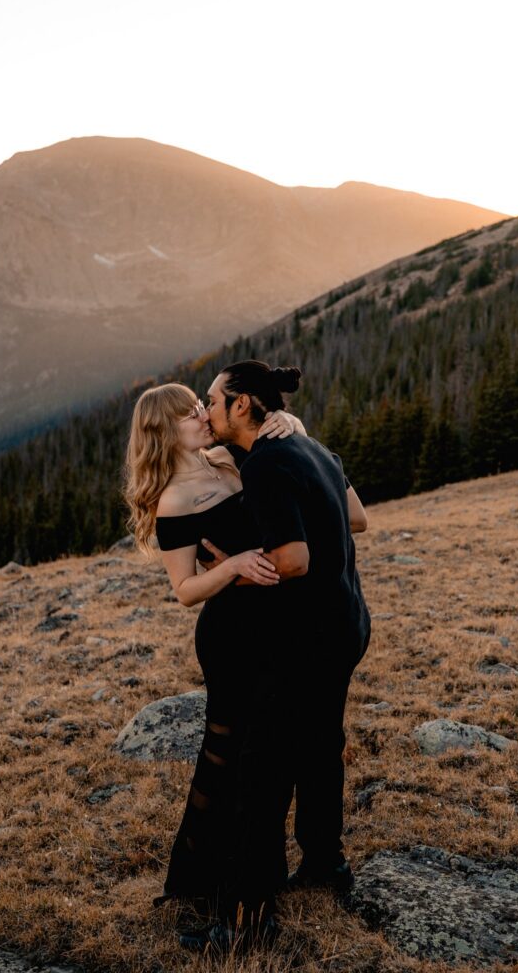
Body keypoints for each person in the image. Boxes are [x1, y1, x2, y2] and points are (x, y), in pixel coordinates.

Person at [193, 359, 371, 952]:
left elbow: (293, 561)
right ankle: (326, 864)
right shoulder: (310, 445)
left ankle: (249, 918)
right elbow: (357, 517)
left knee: (262, 767)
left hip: (305, 641)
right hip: (347, 624)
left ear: (242, 404)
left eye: (213, 401)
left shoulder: (269, 462)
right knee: (321, 746)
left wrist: (228, 573)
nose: (208, 410)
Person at [122, 382, 306, 926]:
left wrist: (288, 425)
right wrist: (232, 566)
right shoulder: (174, 499)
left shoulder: (224, 459)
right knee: (227, 757)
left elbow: (282, 459)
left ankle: (253, 874)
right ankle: (203, 880)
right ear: (162, 430)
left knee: (265, 751)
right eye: (189, 413)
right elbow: (184, 589)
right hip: (230, 636)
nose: (203, 414)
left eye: (201, 405)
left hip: (271, 626)